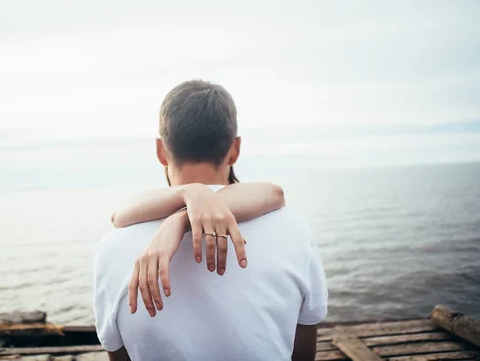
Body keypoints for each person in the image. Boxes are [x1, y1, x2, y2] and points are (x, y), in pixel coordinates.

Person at [94, 80, 328, 361]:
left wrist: (180, 218)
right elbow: (303, 349)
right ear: (235, 149)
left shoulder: (111, 247)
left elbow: (118, 355)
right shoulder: (294, 229)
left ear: (161, 151)